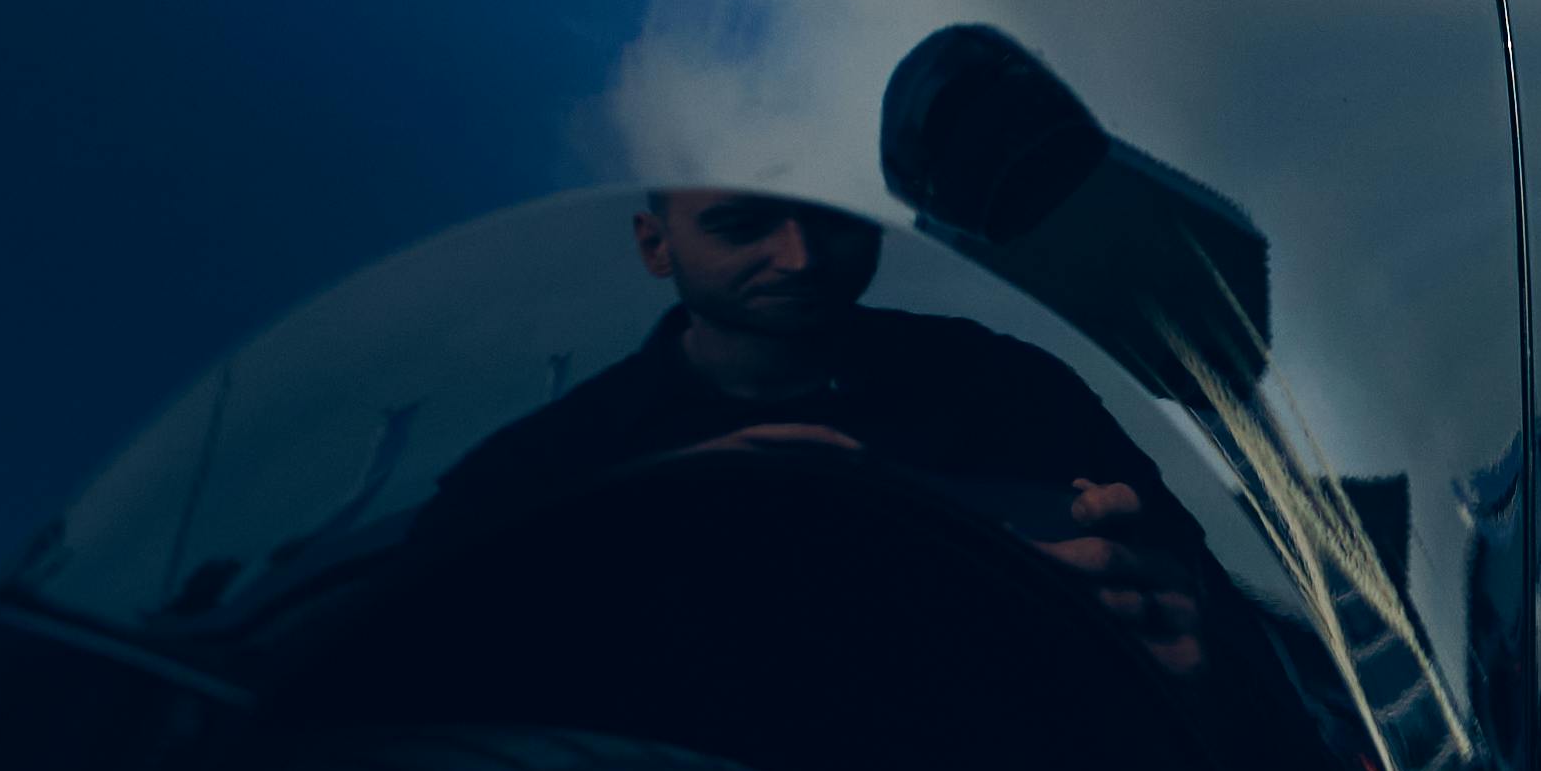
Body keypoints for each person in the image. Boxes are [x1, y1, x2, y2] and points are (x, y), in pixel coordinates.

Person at [435, 185, 1206, 670]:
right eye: (741, 225)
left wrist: (1145, 600)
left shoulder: (1006, 384)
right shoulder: (537, 471)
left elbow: (1199, 597)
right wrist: (641, 523)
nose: (798, 258)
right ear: (654, 244)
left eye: (832, 218)